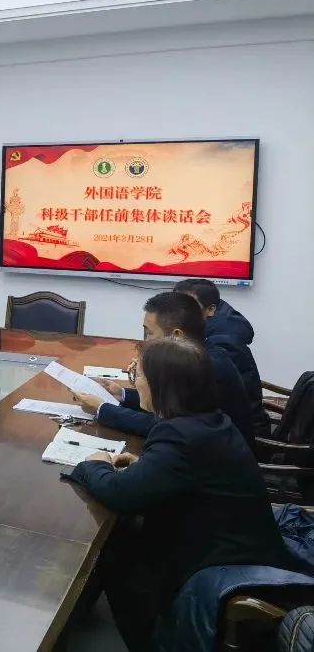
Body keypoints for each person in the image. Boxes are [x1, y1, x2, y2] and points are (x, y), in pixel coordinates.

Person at [68, 337, 294, 651]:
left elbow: (120, 494)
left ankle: (150, 641)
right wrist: (148, 467)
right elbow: (189, 474)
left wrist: (95, 463)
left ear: (162, 385)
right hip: (245, 546)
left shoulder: (179, 435)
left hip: (218, 566)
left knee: (114, 546)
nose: (136, 383)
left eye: (138, 375)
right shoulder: (210, 421)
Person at [73, 291, 255, 447]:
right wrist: (122, 394)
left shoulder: (203, 367)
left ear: (176, 336)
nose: (146, 341)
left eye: (149, 333)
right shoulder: (199, 354)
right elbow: (168, 406)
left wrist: (102, 408)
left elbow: (160, 425)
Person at [174, 278, 268, 435]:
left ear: (211, 309)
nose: (177, 312)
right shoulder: (208, 325)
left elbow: (188, 402)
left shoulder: (222, 345)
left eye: (187, 306)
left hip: (237, 434)